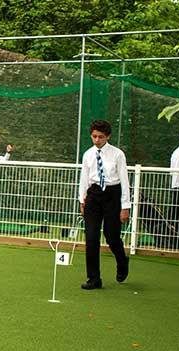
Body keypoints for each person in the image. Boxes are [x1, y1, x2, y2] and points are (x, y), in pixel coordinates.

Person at [78, 119, 130, 290]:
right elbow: (84, 178)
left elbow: (124, 180)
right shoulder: (87, 155)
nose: (97, 140)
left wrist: (125, 206)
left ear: (108, 136)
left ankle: (122, 260)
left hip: (112, 195)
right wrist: (82, 199)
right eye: (94, 136)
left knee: (111, 236)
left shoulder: (118, 154)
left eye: (100, 137)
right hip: (93, 195)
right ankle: (93, 278)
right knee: (91, 237)